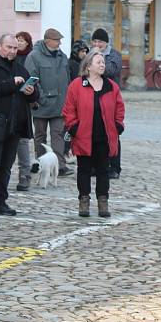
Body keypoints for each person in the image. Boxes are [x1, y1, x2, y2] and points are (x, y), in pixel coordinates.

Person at [0, 34, 38, 216]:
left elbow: (36, 97)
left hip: (15, 124)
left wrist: (31, 91)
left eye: (15, 48)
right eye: (9, 47)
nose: (13, 51)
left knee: (6, 165)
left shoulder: (20, 68)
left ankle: (1, 201)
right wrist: (11, 84)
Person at [62, 49, 125, 218]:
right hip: (83, 136)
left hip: (104, 136)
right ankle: (84, 200)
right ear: (88, 66)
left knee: (103, 170)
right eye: (99, 62)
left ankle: (103, 201)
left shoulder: (111, 86)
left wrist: (118, 126)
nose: (102, 65)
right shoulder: (77, 85)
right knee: (84, 170)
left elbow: (120, 107)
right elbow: (69, 109)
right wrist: (73, 127)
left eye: (103, 62)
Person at [25, 28, 73, 177]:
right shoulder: (34, 56)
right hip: (41, 104)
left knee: (58, 134)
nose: (59, 42)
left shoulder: (62, 56)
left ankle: (60, 166)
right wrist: (42, 98)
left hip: (59, 104)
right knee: (40, 136)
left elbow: (68, 79)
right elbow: (32, 80)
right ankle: (42, 165)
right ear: (47, 41)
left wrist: (68, 99)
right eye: (57, 40)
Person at [90, 28, 123, 178]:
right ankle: (95, 166)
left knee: (112, 132)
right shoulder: (90, 54)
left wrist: (97, 58)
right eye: (95, 41)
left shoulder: (114, 55)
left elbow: (110, 70)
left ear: (106, 43)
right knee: (94, 132)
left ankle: (114, 167)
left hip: (110, 97)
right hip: (92, 96)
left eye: (100, 42)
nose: (97, 44)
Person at [14, 31, 34, 191]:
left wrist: (32, 92)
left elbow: (35, 88)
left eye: (21, 41)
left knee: (22, 144)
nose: (17, 45)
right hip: (5, 111)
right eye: (16, 41)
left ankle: (25, 175)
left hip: (22, 109)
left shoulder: (29, 59)